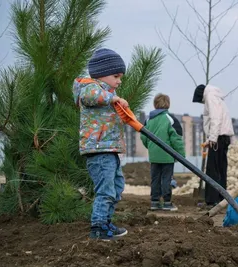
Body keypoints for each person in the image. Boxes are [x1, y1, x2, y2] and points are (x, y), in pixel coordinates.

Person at [73, 48, 129, 240]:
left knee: (117, 186)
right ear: (101, 74)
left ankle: (106, 223)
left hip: (110, 150)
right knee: (105, 190)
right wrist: (113, 98)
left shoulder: (107, 93)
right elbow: (91, 96)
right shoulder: (89, 88)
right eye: (116, 76)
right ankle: (98, 228)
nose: (119, 81)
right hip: (98, 151)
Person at [141, 93, 185, 211]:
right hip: (167, 156)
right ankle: (167, 203)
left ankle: (154, 202)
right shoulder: (170, 119)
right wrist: (181, 155)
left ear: (155, 104)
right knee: (167, 178)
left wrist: (150, 147)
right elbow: (176, 138)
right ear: (168, 104)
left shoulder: (149, 119)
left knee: (155, 178)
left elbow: (143, 137)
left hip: (154, 156)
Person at [192, 84, 234, 207]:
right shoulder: (217, 97)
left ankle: (211, 200)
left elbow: (215, 119)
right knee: (221, 168)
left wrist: (213, 139)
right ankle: (222, 198)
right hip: (222, 138)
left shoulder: (210, 97)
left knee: (212, 170)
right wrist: (210, 138)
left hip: (218, 139)